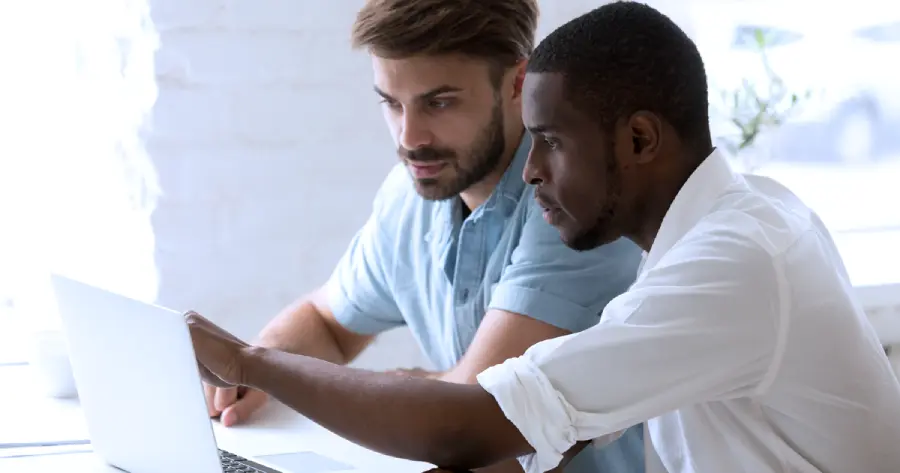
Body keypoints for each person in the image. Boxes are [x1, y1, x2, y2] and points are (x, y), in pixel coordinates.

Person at [187, 1, 900, 472]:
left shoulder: (733, 263)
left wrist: (252, 360)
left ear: (641, 139)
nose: (530, 172)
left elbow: (471, 427)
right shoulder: (708, 240)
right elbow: (557, 427)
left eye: (551, 142)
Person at [201, 1, 645, 472]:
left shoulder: (574, 206)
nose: (410, 137)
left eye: (439, 102)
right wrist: (250, 374)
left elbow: (467, 414)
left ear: (519, 83)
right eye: (391, 103)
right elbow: (327, 323)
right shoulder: (410, 197)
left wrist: (267, 367)